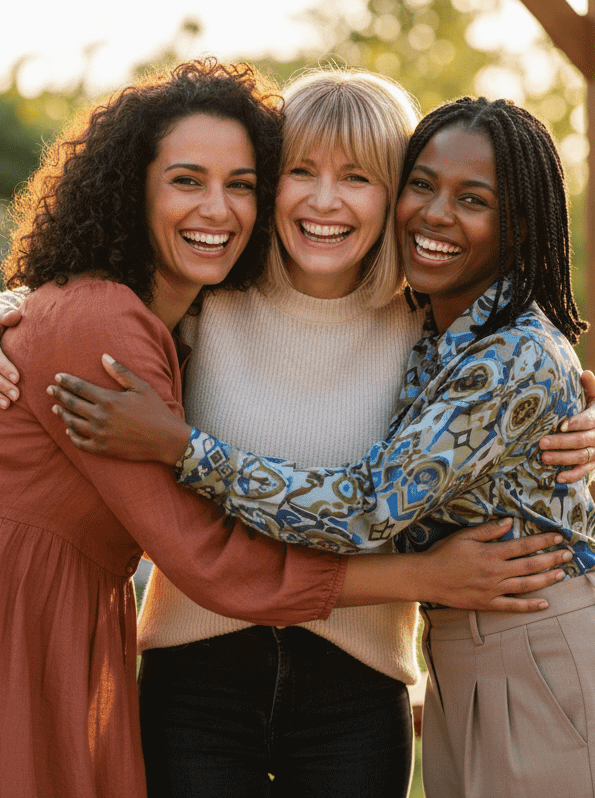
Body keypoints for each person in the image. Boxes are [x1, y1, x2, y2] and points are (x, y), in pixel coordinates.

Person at [5, 75, 594, 798]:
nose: (324, 200)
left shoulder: (427, 331)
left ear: (390, 195)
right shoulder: (206, 298)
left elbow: (500, 410)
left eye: (358, 177)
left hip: (356, 687)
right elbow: (81, 308)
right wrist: (8, 310)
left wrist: (578, 411)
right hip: (197, 676)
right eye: (300, 172)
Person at [0, 58, 389, 798]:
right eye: (187, 180)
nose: (218, 209)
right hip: (22, 611)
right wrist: (426, 576)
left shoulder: (172, 324)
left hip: (62, 616)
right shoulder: (103, 324)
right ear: (131, 188)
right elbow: (203, 555)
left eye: (240, 184)